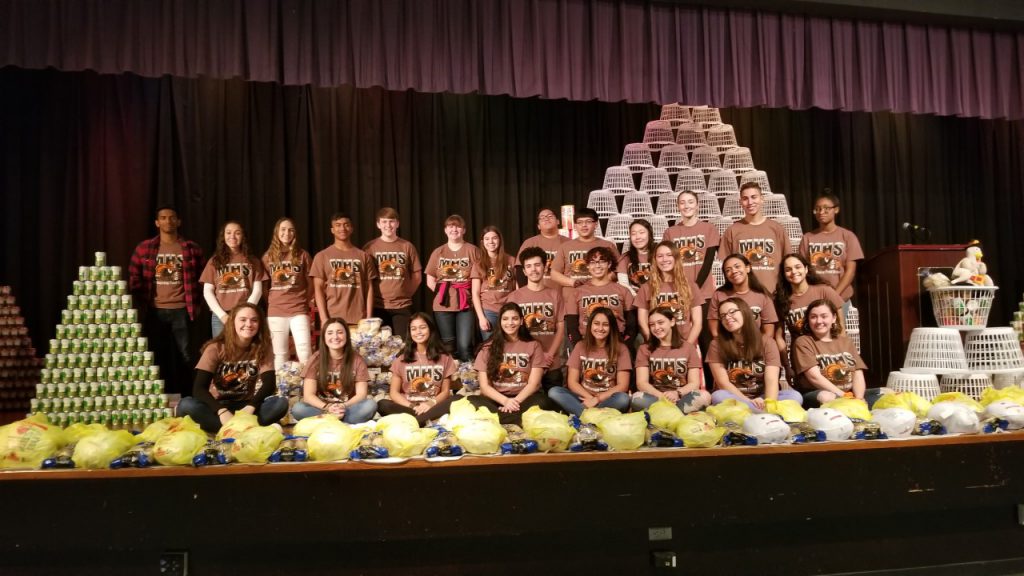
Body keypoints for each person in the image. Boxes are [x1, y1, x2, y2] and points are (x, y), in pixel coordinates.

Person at [176, 303, 288, 433]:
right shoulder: (215, 348)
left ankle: (231, 429)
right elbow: (199, 389)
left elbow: (269, 384)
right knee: (186, 405)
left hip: (247, 407)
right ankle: (245, 428)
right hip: (218, 406)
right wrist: (221, 411)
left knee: (281, 403)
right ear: (232, 322)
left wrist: (251, 406)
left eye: (254, 320)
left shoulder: (263, 347)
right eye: (243, 319)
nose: (249, 324)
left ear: (260, 324)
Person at [128, 205, 204, 396]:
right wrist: (141, 301)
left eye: (172, 217)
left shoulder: (191, 248)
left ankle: (189, 398)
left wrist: (197, 305)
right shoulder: (145, 248)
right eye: (163, 218)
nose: (168, 221)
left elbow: (203, 279)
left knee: (186, 356)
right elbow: (134, 277)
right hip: (155, 310)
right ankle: (156, 399)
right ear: (157, 222)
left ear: (178, 221)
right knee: (154, 355)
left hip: (182, 309)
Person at [706, 298, 803, 411]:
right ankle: (761, 414)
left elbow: (771, 379)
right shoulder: (716, 344)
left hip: (762, 397)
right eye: (723, 316)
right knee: (718, 396)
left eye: (732, 312)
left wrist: (768, 403)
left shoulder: (767, 342)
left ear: (745, 312)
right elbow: (723, 383)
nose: (727, 317)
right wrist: (748, 401)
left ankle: (755, 413)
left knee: (795, 396)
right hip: (735, 398)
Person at [469, 303, 554, 424]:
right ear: (500, 322)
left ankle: (500, 419)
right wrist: (505, 402)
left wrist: (514, 402)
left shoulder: (534, 345)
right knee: (471, 401)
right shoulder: (488, 347)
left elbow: (534, 384)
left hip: (524, 398)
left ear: (521, 321)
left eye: (514, 318)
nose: (510, 323)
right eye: (505, 319)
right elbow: (484, 387)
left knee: (543, 401)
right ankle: (517, 420)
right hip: (497, 399)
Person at [792, 299, 879, 408]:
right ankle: (853, 410)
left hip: (849, 394)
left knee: (886, 393)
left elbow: (858, 373)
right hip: (818, 393)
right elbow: (814, 377)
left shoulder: (845, 341)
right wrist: (844, 396)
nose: (819, 321)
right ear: (808, 320)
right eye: (813, 317)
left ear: (833, 318)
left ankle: (855, 408)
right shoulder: (803, 342)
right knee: (826, 397)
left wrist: (859, 398)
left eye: (824, 316)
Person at [291, 318, 377, 423]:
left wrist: (343, 406)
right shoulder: (316, 359)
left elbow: (361, 394)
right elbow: (308, 395)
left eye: (340, 332)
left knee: (370, 405)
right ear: (324, 337)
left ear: (346, 336)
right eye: (330, 333)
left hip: (347, 409)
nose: (335, 337)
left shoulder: (357, 359)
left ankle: (329, 422)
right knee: (298, 409)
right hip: (322, 409)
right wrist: (328, 407)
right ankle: (341, 422)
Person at [548, 307, 631, 416]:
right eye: (596, 323)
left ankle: (584, 415)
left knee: (623, 399)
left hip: (608, 399)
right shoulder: (580, 346)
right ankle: (594, 416)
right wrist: (590, 398)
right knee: (554, 392)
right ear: (590, 325)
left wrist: (597, 399)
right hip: (583, 397)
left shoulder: (621, 349)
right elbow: (572, 382)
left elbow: (623, 385)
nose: (600, 328)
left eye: (605, 324)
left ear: (611, 327)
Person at [377, 312, 457, 426]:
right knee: (382, 404)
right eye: (413, 329)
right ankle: (425, 420)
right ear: (410, 332)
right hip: (410, 408)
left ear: (431, 329)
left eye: (422, 327)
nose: (418, 332)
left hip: (433, 406)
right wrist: (413, 407)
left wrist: (429, 404)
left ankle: (417, 421)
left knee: (458, 399)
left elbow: (445, 391)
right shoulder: (402, 358)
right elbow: (394, 392)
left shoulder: (445, 357)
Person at [507, 247, 566, 391]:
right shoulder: (515, 297)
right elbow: (511, 331)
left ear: (545, 267)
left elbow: (561, 327)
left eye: (537, 265)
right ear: (524, 271)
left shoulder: (555, 295)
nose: (533, 270)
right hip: (526, 362)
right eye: (528, 266)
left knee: (554, 402)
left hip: (551, 362)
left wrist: (550, 354)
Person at [773, 254, 844, 373]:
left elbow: (841, 326)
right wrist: (787, 366)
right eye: (788, 269)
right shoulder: (780, 300)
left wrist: (842, 355)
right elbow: (779, 337)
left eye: (798, 267)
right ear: (784, 275)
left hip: (829, 354)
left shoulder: (824, 291)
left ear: (806, 269)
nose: (793, 272)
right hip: (802, 358)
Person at [632, 306, 711, 413]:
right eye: (652, 325)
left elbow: (694, 383)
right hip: (656, 397)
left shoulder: (688, 348)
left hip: (681, 396)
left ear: (672, 322)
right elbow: (641, 383)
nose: (656, 327)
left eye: (660, 322)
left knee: (704, 396)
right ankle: (677, 413)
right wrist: (661, 397)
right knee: (636, 399)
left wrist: (677, 393)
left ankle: (665, 412)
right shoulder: (644, 348)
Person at [425, 214, 480, 362]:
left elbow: (480, 276)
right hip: (443, 305)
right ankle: (452, 381)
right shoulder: (438, 252)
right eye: (450, 226)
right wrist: (443, 292)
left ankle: (468, 379)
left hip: (465, 303)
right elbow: (430, 278)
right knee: (448, 346)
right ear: (445, 230)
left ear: (464, 230)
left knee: (464, 345)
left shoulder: (472, 250)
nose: (454, 229)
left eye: (458, 226)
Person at [799, 192, 864, 314]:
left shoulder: (848, 236)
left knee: (838, 332)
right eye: (817, 209)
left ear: (836, 210)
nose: (821, 212)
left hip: (840, 298)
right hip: (814, 299)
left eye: (826, 208)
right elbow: (803, 270)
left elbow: (850, 271)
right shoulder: (807, 238)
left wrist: (834, 294)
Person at [201, 221, 268, 338]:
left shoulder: (253, 261)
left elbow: (258, 291)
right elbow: (207, 291)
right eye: (228, 233)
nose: (232, 236)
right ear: (223, 236)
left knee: (245, 351)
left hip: (245, 316)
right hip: (220, 316)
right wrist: (222, 316)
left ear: (243, 237)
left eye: (237, 233)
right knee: (221, 351)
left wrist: (244, 312)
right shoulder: (214, 261)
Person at [262, 217, 313, 370]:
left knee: (304, 350)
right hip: (276, 310)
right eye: (283, 229)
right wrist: (272, 301)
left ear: (295, 233)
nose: (287, 233)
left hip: (298, 309)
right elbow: (264, 286)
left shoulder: (302, 255)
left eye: (290, 230)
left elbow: (311, 282)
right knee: (280, 353)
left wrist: (305, 299)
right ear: (277, 232)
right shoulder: (268, 256)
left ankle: (307, 385)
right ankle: (282, 388)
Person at [720, 183, 791, 293]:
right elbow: (726, 266)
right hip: (743, 296)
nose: (750, 202)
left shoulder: (777, 229)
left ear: (762, 199)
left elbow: (788, 262)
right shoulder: (732, 231)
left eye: (754, 197)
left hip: (773, 294)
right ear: (740, 203)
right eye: (745, 199)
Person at [309, 213, 377, 327]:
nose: (342, 228)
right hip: (332, 319)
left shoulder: (363, 256)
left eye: (346, 225)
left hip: (359, 320)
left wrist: (369, 318)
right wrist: (324, 319)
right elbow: (318, 289)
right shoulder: (322, 256)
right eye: (338, 225)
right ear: (332, 230)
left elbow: (369, 288)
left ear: (351, 229)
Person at [363, 207, 422, 337]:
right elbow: (366, 279)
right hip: (378, 305)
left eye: (391, 221)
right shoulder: (370, 247)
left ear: (397, 224)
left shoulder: (407, 246)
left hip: (402, 305)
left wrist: (405, 293)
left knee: (402, 345)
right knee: (380, 347)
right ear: (378, 224)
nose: (388, 225)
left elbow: (417, 276)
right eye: (384, 222)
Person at [564, 246, 636, 347]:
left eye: (602, 261)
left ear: (609, 264)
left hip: (616, 344)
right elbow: (571, 327)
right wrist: (580, 349)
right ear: (588, 266)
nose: (597, 265)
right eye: (593, 262)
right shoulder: (576, 293)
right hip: (587, 344)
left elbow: (632, 326)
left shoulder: (623, 291)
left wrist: (624, 347)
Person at [636, 241, 702, 346]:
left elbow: (697, 323)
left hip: (685, 344)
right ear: (655, 260)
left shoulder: (691, 286)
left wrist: (687, 347)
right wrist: (653, 343)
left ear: (676, 258)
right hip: (657, 346)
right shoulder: (646, 288)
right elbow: (642, 321)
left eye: (669, 255)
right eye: (660, 256)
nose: (664, 259)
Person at [549, 207, 620, 297]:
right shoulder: (565, 246)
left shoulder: (608, 245)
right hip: (572, 296)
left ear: (596, 224)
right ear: (575, 226)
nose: (584, 225)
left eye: (588, 221)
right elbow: (554, 274)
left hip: (602, 295)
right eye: (580, 222)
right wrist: (573, 282)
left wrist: (599, 282)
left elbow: (618, 271)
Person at [663, 190, 719, 305]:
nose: (686, 206)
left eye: (690, 202)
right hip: (678, 292)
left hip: (704, 292)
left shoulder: (709, 228)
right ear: (678, 206)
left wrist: (695, 288)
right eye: (682, 203)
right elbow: (668, 264)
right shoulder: (670, 232)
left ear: (697, 205)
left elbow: (708, 262)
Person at [707, 254, 778, 338]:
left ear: (748, 268)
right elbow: (714, 329)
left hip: (755, 345)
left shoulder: (762, 295)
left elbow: (768, 332)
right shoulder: (719, 295)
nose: (734, 271)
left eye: (737, 266)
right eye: (728, 270)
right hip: (728, 345)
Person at [471, 226, 516, 341]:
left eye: (494, 238)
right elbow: (475, 293)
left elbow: (517, 287)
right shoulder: (478, 264)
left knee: (509, 345)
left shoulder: (511, 260)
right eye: (487, 239)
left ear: (500, 240)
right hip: (489, 311)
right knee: (491, 347)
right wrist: (481, 318)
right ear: (482, 242)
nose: (491, 241)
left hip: (508, 309)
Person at [516, 207, 568, 288]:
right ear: (538, 226)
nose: (546, 219)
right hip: (537, 294)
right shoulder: (529, 243)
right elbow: (520, 270)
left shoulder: (568, 243)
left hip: (562, 293)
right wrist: (525, 293)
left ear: (558, 221)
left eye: (550, 216)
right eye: (542, 217)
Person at [617, 219, 654, 296]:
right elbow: (624, 285)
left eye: (642, 233)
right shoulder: (624, 258)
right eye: (633, 234)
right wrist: (639, 300)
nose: (637, 237)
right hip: (634, 301)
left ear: (649, 234)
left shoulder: (660, 254)